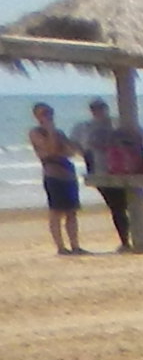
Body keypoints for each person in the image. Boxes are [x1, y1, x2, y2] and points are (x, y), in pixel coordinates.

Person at [76, 97, 143, 251]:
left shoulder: (117, 123)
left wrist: (128, 151)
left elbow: (142, 137)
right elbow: (76, 145)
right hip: (100, 171)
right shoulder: (85, 127)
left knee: (130, 205)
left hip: (122, 170)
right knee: (117, 207)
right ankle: (125, 241)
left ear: (106, 109)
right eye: (95, 109)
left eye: (101, 108)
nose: (98, 112)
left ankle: (141, 239)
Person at [28, 102, 85, 254]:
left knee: (72, 212)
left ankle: (75, 245)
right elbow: (51, 149)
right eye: (43, 114)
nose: (47, 116)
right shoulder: (36, 132)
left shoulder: (59, 133)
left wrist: (60, 144)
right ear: (37, 116)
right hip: (53, 175)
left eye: (49, 113)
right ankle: (61, 247)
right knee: (56, 212)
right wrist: (50, 131)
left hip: (67, 174)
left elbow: (71, 151)